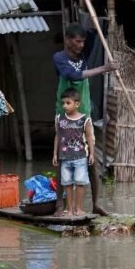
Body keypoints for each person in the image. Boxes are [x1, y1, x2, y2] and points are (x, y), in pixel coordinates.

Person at [52, 18, 119, 216]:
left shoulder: (84, 55)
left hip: (85, 114)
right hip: (65, 115)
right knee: (64, 158)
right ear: (67, 40)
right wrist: (103, 69)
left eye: (82, 42)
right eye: (77, 42)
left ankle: (96, 204)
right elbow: (73, 76)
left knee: (91, 159)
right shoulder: (60, 58)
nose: (81, 45)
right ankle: (59, 205)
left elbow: (94, 29)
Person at [52, 88, 95, 216]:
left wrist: (91, 153)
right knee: (67, 184)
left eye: (68, 103)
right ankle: (70, 209)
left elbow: (89, 137)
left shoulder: (84, 119)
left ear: (77, 104)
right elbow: (57, 137)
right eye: (63, 103)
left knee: (80, 183)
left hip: (80, 157)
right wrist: (55, 154)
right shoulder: (60, 118)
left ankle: (79, 209)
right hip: (64, 158)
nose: (65, 106)